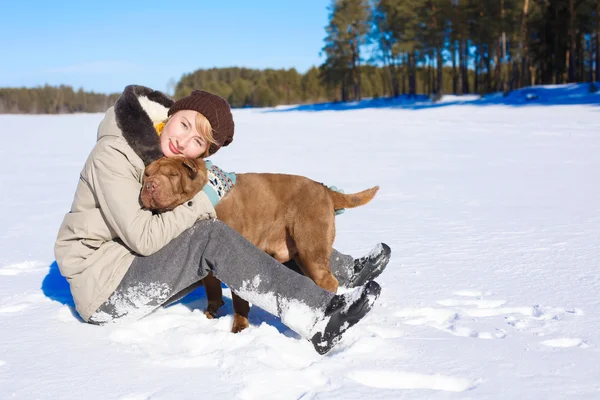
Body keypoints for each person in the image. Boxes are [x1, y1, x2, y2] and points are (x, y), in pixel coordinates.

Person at [54, 85, 391, 355]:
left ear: (202, 153)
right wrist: (200, 202)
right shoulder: (114, 152)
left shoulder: (162, 156)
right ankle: (319, 314)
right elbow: (143, 237)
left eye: (198, 141)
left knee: (248, 229)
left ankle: (341, 272)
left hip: (132, 271)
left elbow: (222, 186)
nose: (184, 140)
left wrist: (316, 196)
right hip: (103, 289)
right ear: (170, 116)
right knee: (212, 235)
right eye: (184, 125)